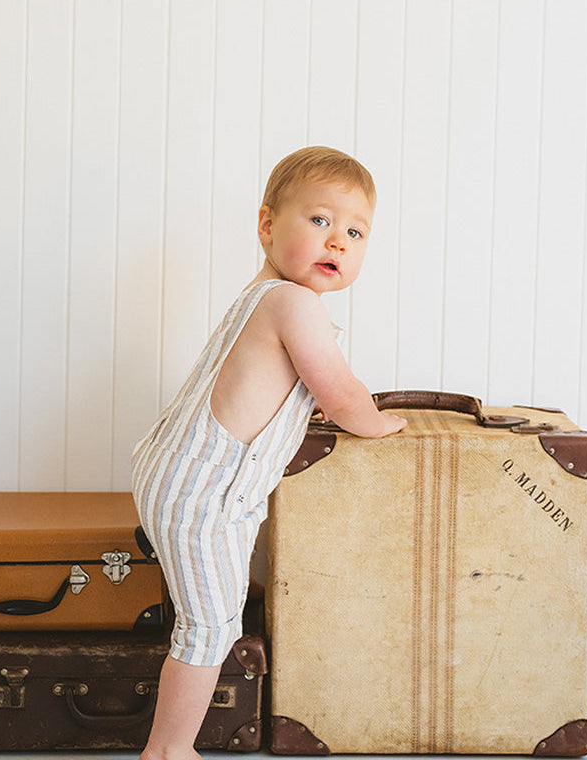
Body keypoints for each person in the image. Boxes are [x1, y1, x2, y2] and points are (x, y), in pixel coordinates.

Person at [131, 146, 407, 760]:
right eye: (319, 221)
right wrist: (377, 423)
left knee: (215, 618)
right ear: (266, 226)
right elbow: (340, 395)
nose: (336, 241)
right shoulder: (293, 303)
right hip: (202, 494)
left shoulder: (257, 298)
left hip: (182, 475)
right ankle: (168, 751)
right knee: (208, 627)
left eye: (354, 232)